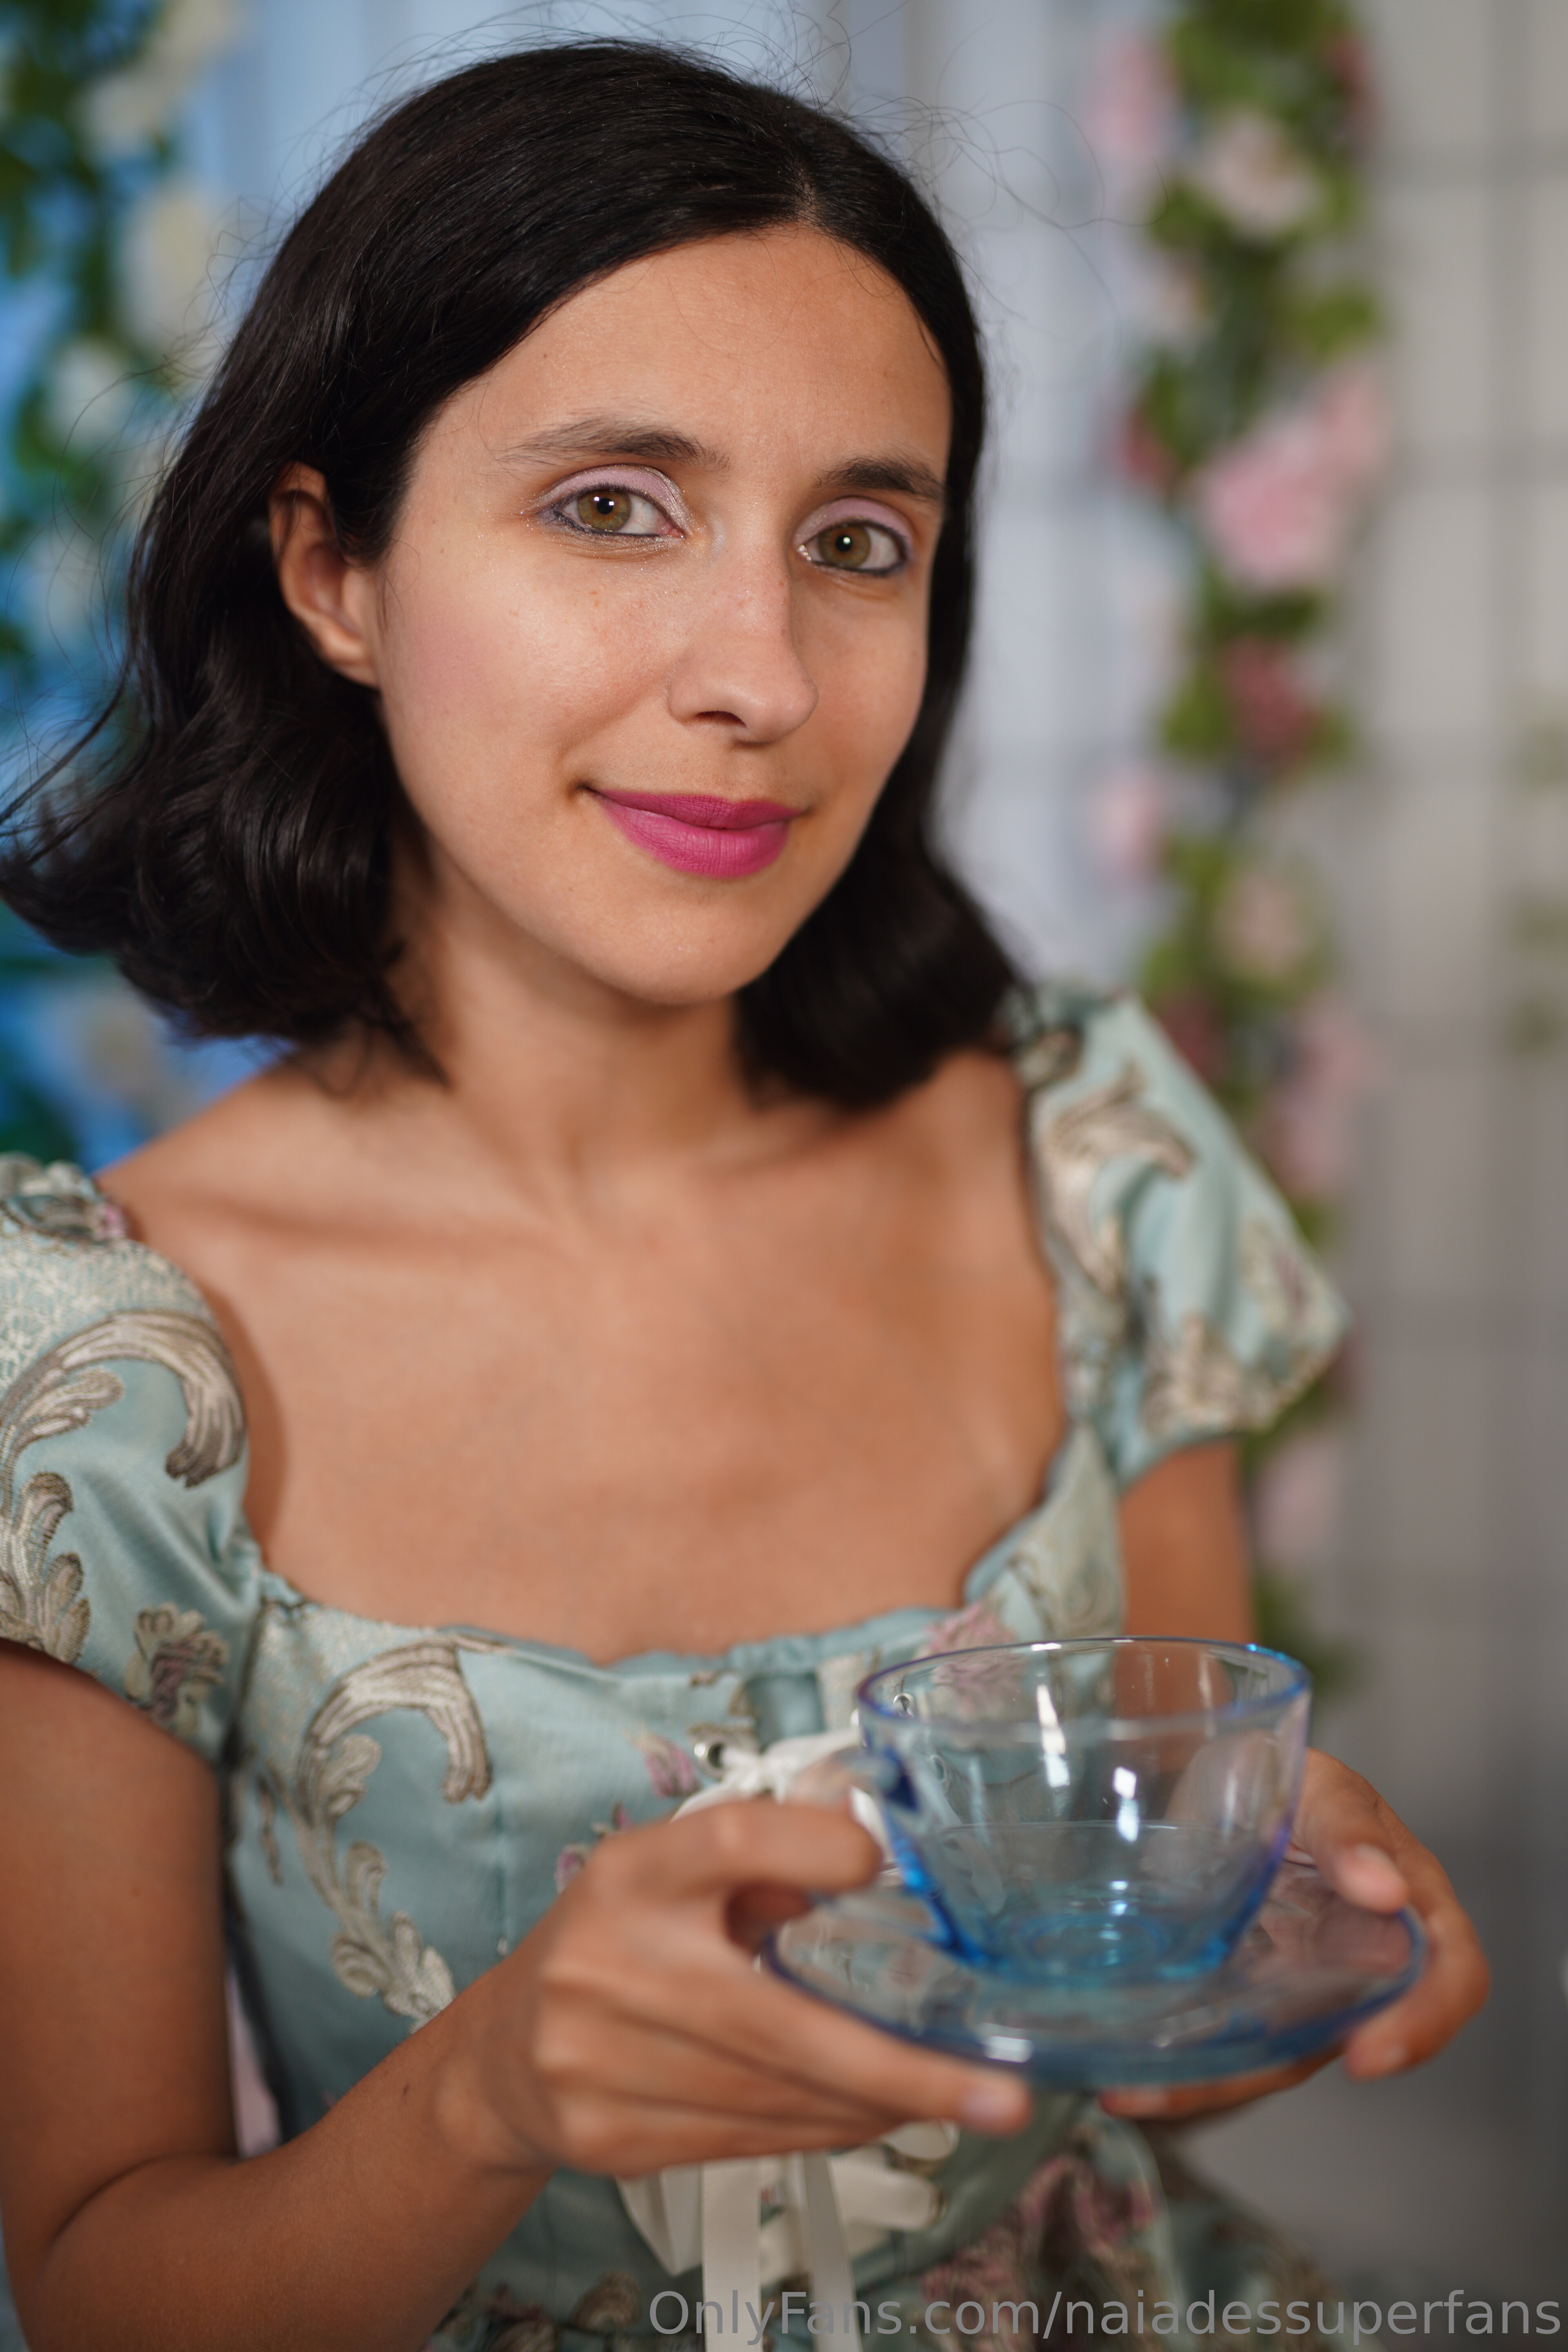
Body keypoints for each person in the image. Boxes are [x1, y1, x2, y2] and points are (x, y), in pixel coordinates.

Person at [0, 42, 1486, 2352]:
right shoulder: (97, 1371)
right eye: (614, 507)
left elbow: (1141, 2071)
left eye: (859, 543)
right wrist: (487, 2094)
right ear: (333, 570)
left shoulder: (1090, 1169)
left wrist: (1271, 1940)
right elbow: (104, 2293)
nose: (765, 677)